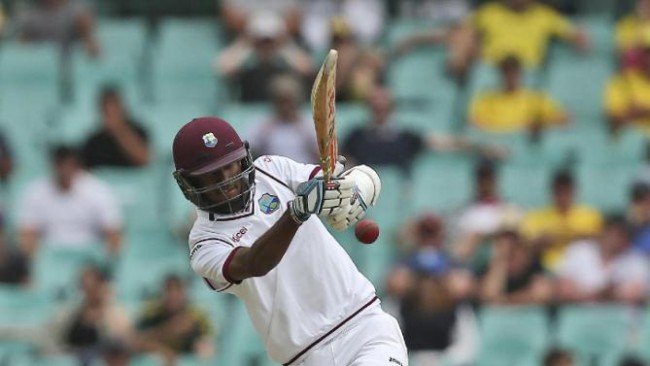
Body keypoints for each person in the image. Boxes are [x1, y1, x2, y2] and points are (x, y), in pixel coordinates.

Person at [172, 117, 408, 365]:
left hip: (363, 327)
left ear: (243, 159)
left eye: (229, 166)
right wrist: (296, 213)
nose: (226, 180)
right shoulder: (204, 241)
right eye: (211, 175)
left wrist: (356, 186)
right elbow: (254, 263)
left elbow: (336, 183)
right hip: (304, 357)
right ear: (190, 182)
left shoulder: (271, 169)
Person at [342, 86, 505, 176]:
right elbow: (342, 162)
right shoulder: (355, 137)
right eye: (375, 105)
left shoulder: (406, 137)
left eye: (383, 105)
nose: (379, 109)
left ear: (391, 107)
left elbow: (443, 143)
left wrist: (481, 147)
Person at [17, 146, 122, 258]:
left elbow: (113, 232)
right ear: (53, 166)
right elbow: (27, 233)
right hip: (51, 255)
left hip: (89, 254)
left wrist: (106, 263)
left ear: (78, 167)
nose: (65, 170)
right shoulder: (35, 192)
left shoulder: (98, 191)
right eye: (61, 165)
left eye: (70, 165)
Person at [217, 11, 313, 103]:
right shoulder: (246, 59)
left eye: (269, 41)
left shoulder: (286, 56)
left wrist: (284, 46)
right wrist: (245, 44)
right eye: (261, 41)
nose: (266, 45)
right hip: (250, 109)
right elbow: (223, 69)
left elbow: (307, 69)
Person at [556, 215, 649, 304]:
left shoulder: (635, 260)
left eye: (627, 236)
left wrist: (586, 293)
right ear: (606, 231)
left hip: (621, 317)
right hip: (578, 315)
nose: (623, 240)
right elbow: (564, 289)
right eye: (620, 234)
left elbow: (634, 292)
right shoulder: (578, 251)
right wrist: (602, 294)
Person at [521, 169, 603, 271]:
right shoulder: (536, 216)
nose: (563, 196)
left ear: (575, 191)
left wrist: (579, 238)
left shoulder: (591, 215)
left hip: (582, 269)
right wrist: (543, 241)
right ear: (552, 192)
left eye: (567, 191)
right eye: (559, 191)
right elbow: (527, 246)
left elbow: (601, 242)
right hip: (546, 267)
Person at [471, 0, 588, 69]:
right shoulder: (489, 12)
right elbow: (465, 32)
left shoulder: (544, 15)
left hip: (528, 73)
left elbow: (577, 35)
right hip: (494, 71)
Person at [49, 266, 132, 361]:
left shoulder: (117, 314)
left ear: (102, 285)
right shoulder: (68, 313)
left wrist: (106, 305)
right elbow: (56, 340)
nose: (89, 291)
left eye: (93, 287)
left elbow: (121, 344)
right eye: (85, 287)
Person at [469, 55, 570, 133]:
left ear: (520, 73)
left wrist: (540, 124)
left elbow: (564, 118)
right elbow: (474, 123)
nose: (510, 76)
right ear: (500, 73)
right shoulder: (487, 99)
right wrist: (512, 129)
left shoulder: (535, 98)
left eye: (514, 71)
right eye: (506, 71)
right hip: (497, 144)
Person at [134, 275, 214, 361]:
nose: (173, 295)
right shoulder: (151, 313)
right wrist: (169, 331)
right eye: (169, 289)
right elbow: (135, 342)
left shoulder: (197, 317)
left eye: (178, 290)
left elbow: (209, 347)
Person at [246, 74, 319, 163]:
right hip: (271, 173)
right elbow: (246, 151)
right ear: (274, 101)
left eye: (289, 101)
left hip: (304, 173)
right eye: (281, 101)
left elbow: (322, 156)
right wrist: (264, 134)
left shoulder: (310, 125)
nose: (285, 107)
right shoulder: (263, 125)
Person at [82, 86, 150, 169]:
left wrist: (119, 131)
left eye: (114, 109)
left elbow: (144, 159)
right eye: (107, 110)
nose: (111, 114)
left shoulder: (138, 132)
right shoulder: (93, 142)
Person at [479, 227, 552, 305]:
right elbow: (489, 295)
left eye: (513, 248)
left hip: (527, 311)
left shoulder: (533, 265)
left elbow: (543, 293)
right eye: (501, 246)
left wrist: (508, 300)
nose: (508, 250)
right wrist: (499, 265)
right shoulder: (492, 265)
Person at [14, 0, 100, 57]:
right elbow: (23, 52)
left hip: (70, 64)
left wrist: (86, 35)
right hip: (44, 69)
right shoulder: (30, 17)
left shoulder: (78, 13)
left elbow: (93, 50)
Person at [604, 32, 650, 135]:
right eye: (648, 53)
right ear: (641, 56)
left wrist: (642, 111)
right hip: (634, 139)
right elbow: (614, 122)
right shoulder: (622, 80)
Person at [616, 0, 650, 69]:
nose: (646, 8)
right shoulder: (626, 24)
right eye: (644, 4)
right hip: (634, 72)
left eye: (648, 5)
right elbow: (624, 49)